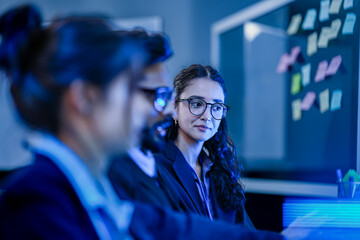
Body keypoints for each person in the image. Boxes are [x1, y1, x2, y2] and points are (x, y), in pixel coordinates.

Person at [0, 4, 285, 240]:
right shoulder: (38, 203)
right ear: (85, 99)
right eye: (129, 89)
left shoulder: (91, 189)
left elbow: (172, 227)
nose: (148, 109)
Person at [156, 64, 254, 227]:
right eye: (196, 104)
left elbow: (246, 234)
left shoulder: (220, 172)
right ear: (174, 107)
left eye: (216, 107)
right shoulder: (158, 168)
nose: (207, 116)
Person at [108, 29, 180, 210]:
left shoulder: (154, 165)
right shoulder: (111, 177)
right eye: (160, 96)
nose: (171, 111)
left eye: (170, 96)